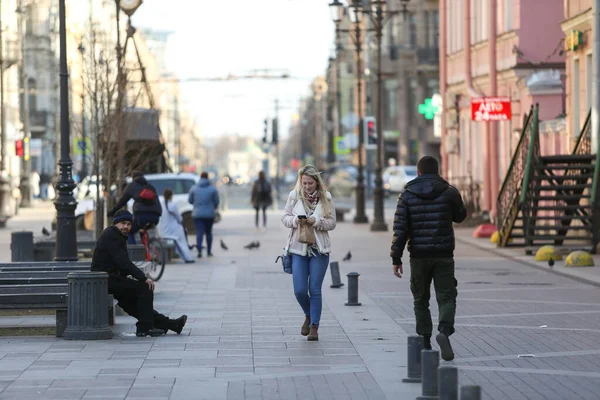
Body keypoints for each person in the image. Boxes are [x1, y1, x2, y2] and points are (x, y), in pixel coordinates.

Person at [390, 156, 467, 361]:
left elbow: (400, 229)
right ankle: (444, 331)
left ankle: (425, 340)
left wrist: (396, 258)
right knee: (447, 296)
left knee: (420, 299)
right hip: (443, 255)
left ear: (418, 172)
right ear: (438, 171)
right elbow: (461, 216)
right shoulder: (449, 191)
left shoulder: (406, 195)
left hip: (418, 256)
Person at [91, 209, 187, 337]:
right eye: (123, 223)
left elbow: (121, 264)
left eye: (129, 224)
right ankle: (144, 328)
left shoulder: (116, 235)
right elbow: (123, 262)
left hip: (108, 279)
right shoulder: (112, 236)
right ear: (115, 223)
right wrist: (143, 278)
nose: (126, 226)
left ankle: (171, 324)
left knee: (132, 304)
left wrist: (133, 277)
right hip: (104, 280)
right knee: (145, 288)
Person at [281, 165, 336, 341]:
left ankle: (314, 326)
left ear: (316, 182)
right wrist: (296, 221)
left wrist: (318, 222)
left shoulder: (326, 198)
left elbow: (332, 222)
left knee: (315, 289)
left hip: (320, 250)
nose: (306, 187)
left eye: (310, 183)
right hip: (298, 249)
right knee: (299, 290)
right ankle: (308, 314)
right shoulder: (294, 196)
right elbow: (284, 217)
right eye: (304, 183)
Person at [108, 172, 162, 244]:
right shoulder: (150, 186)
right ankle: (146, 251)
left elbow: (122, 201)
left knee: (128, 231)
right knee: (142, 230)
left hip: (142, 216)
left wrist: (113, 211)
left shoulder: (132, 186)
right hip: (156, 217)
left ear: (133, 178)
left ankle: (133, 253)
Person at [157, 189, 195, 264]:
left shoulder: (161, 204)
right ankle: (188, 258)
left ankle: (182, 255)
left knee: (179, 235)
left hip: (162, 231)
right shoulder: (173, 205)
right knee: (182, 239)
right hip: (172, 230)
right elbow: (179, 218)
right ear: (171, 196)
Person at [188, 172, 219, 258]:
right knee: (209, 232)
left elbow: (190, 201)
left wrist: (197, 204)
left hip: (197, 214)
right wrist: (212, 207)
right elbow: (216, 202)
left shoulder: (194, 188)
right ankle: (209, 251)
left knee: (199, 232)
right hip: (209, 215)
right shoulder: (213, 189)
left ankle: (199, 251)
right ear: (207, 178)